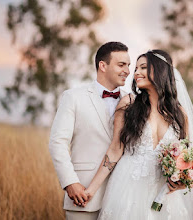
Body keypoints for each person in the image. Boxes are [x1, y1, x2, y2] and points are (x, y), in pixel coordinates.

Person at [83, 50, 193, 219]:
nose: (136, 73)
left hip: (163, 194)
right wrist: (91, 190)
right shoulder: (128, 104)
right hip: (128, 187)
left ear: (160, 71)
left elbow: (188, 158)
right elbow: (115, 149)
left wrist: (179, 183)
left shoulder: (180, 114)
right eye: (136, 68)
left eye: (143, 67)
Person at [49, 41, 130, 220]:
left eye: (128, 65)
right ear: (103, 65)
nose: (128, 70)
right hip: (83, 195)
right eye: (121, 64)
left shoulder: (133, 102)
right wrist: (70, 182)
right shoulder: (73, 97)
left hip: (123, 198)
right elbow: (57, 143)